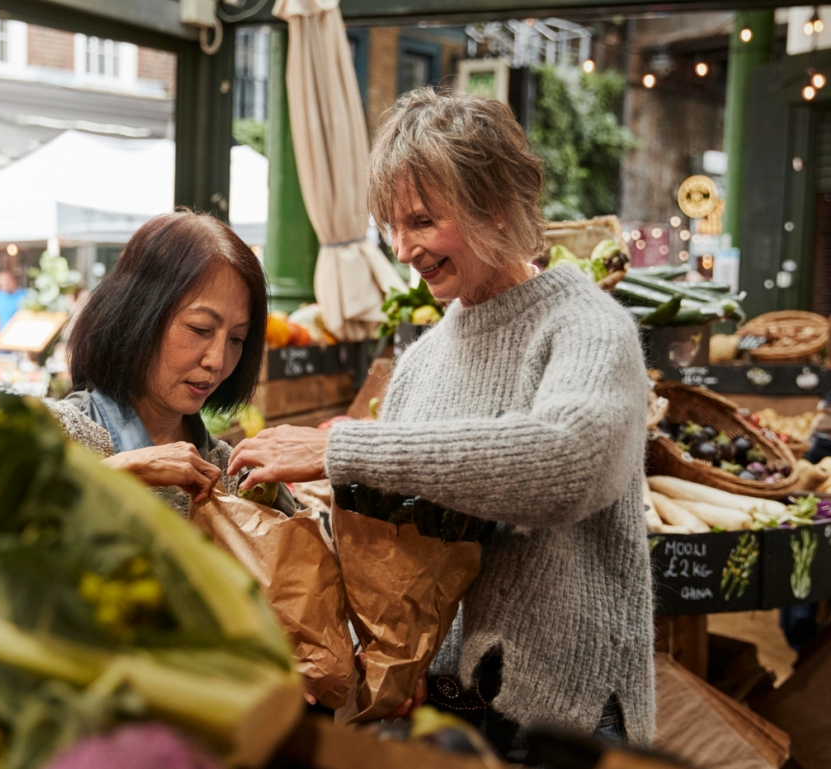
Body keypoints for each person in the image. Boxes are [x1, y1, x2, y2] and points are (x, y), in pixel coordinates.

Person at [229, 90, 654, 750]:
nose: (401, 247)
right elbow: (393, 545)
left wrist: (345, 447)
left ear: (495, 204)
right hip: (451, 697)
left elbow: (568, 462)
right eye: (390, 225)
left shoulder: (588, 327)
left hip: (565, 706)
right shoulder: (423, 358)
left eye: (421, 220)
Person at [45, 210, 271, 517]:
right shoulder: (59, 433)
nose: (217, 360)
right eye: (200, 329)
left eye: (237, 339)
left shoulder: (229, 472)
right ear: (138, 315)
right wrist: (119, 473)